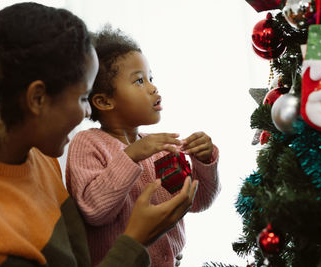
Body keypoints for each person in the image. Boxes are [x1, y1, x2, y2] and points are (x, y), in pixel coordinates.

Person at [0, 3, 198, 267]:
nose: (88, 112)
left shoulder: (39, 158)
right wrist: (135, 242)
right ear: (37, 98)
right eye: (84, 97)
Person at [65, 25, 220, 267]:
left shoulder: (158, 146)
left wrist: (205, 161)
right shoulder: (87, 144)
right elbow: (94, 210)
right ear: (104, 101)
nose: (153, 87)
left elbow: (198, 201)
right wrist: (132, 156)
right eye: (139, 80)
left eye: (151, 78)